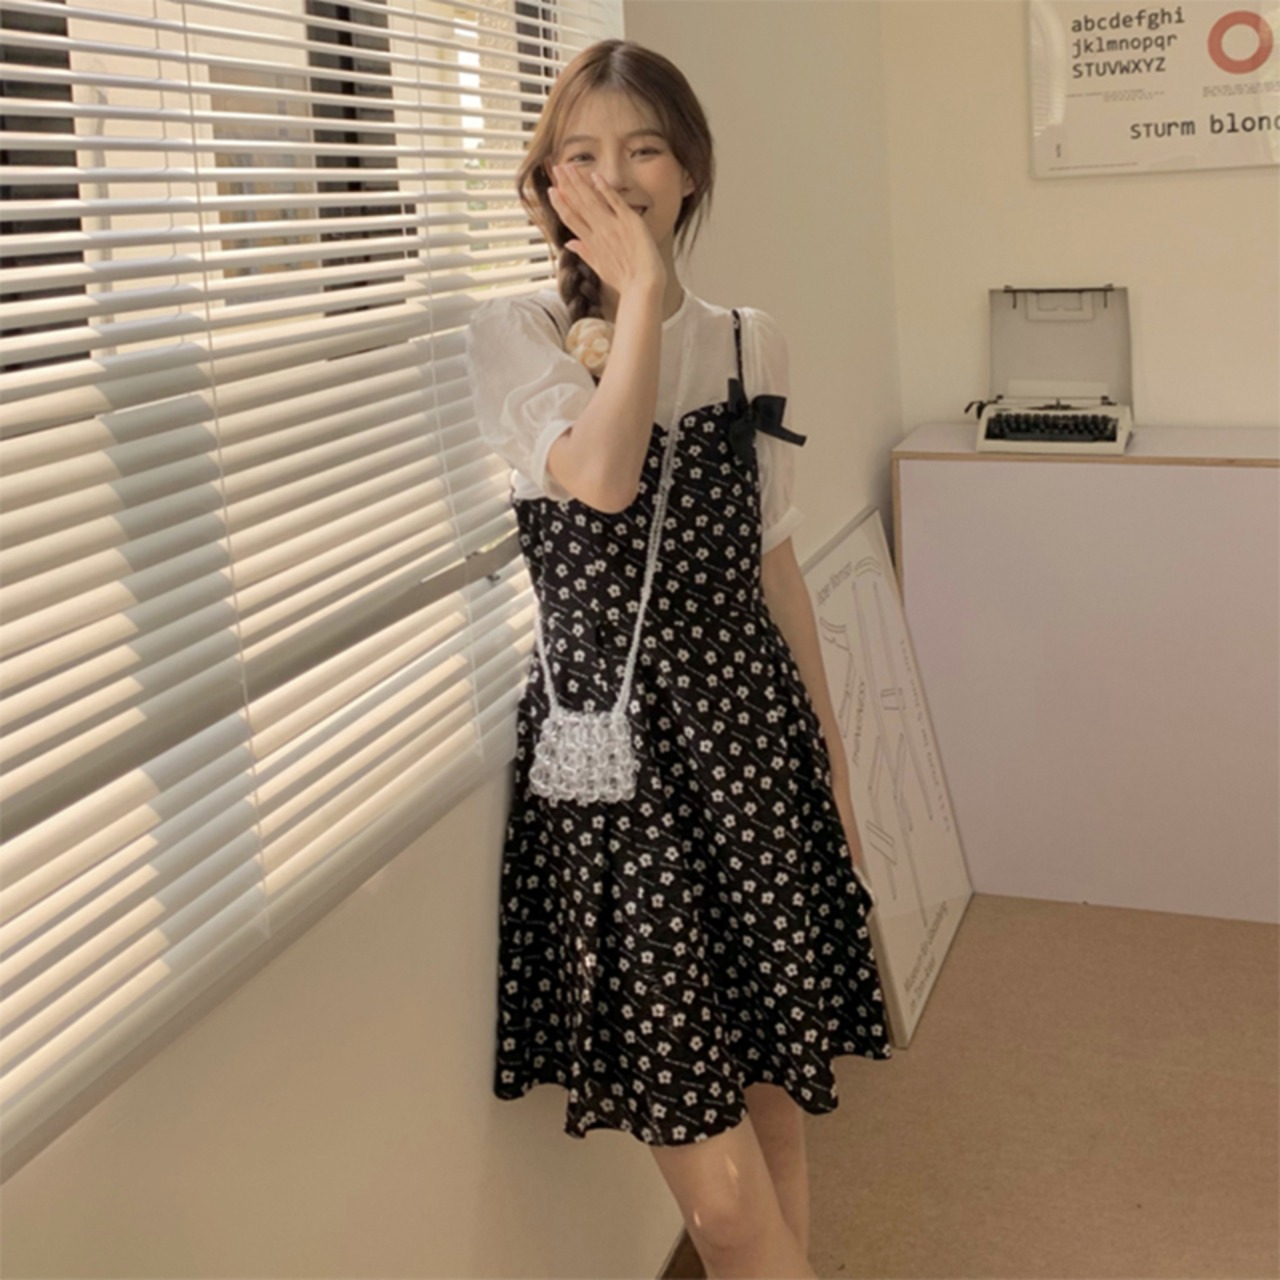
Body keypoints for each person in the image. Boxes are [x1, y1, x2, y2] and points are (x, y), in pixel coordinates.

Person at [465, 38, 893, 1280]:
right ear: (547, 182)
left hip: (751, 746)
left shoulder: (753, 344)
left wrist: (835, 779)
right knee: (719, 1204)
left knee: (774, 1103)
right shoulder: (514, 334)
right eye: (581, 155)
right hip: (617, 780)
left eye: (643, 149)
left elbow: (774, 571)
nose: (614, 178)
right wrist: (640, 294)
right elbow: (600, 478)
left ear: (690, 169)